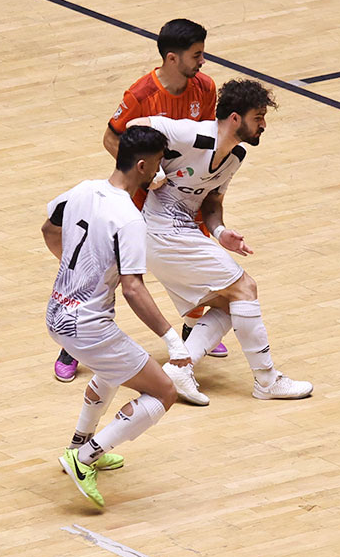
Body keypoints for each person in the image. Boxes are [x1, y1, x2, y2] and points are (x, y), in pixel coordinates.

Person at [53, 18, 225, 384]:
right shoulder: (142, 94)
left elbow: (206, 138)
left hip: (182, 196)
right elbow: (110, 139)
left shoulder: (206, 88)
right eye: (197, 55)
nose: (203, 61)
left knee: (193, 259)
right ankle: (73, 344)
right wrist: (150, 171)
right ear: (172, 58)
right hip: (141, 193)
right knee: (111, 268)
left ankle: (193, 328)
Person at [124, 78, 313, 406]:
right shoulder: (191, 135)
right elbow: (133, 126)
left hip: (175, 235)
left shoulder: (236, 155)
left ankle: (180, 369)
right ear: (235, 118)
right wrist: (151, 173)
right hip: (161, 231)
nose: (263, 125)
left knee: (230, 305)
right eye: (258, 117)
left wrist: (222, 232)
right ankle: (267, 380)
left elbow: (211, 203)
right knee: (246, 288)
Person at [42, 127, 188, 508]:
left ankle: (79, 442)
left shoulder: (82, 190)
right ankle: (84, 457)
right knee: (164, 392)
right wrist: (173, 340)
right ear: (141, 166)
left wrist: (79, 272)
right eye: (157, 163)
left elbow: (49, 227)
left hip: (57, 312)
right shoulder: (129, 218)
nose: (159, 171)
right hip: (87, 327)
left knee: (112, 369)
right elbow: (133, 289)